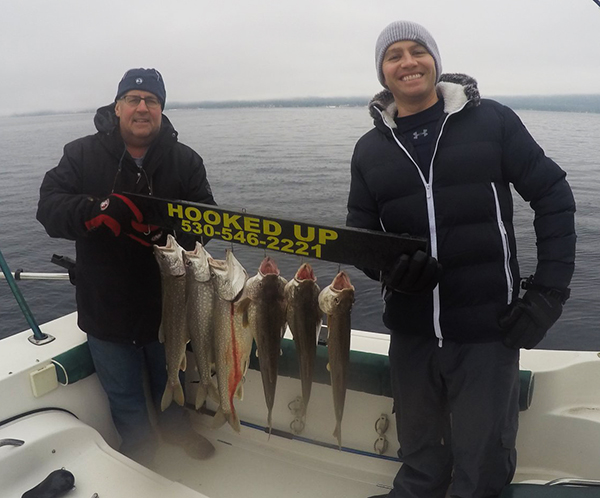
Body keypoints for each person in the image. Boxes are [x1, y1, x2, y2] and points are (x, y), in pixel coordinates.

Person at [346, 21, 576, 498]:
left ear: (435, 60)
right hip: (412, 334)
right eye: (394, 56)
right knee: (420, 462)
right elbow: (361, 240)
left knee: (482, 469)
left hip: (487, 332)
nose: (408, 62)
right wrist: (392, 271)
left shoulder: (492, 121)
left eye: (417, 51)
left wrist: (548, 293)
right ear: (382, 73)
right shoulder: (370, 150)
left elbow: (553, 195)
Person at [37, 68, 217, 465]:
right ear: (117, 107)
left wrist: (176, 235)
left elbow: (208, 220)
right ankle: (139, 450)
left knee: (172, 375)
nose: (142, 108)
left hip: (166, 304)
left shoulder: (185, 161)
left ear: (161, 110)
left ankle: (176, 430)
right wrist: (96, 210)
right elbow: (48, 208)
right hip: (106, 305)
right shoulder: (80, 153)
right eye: (133, 99)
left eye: (151, 101)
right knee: (123, 396)